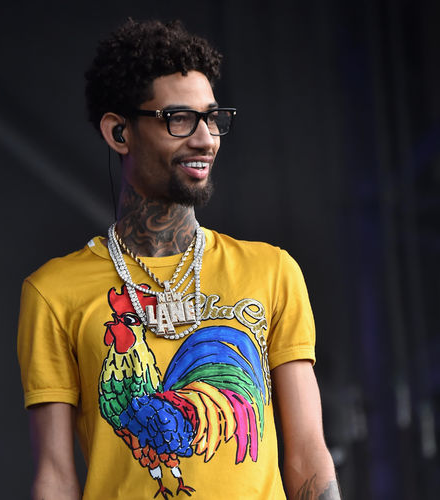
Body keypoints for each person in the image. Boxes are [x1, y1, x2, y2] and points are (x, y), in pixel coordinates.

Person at [17, 19, 341, 500]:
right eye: (179, 119)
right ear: (119, 132)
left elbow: (307, 455)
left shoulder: (272, 271)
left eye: (212, 118)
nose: (206, 139)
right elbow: (56, 477)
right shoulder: (53, 292)